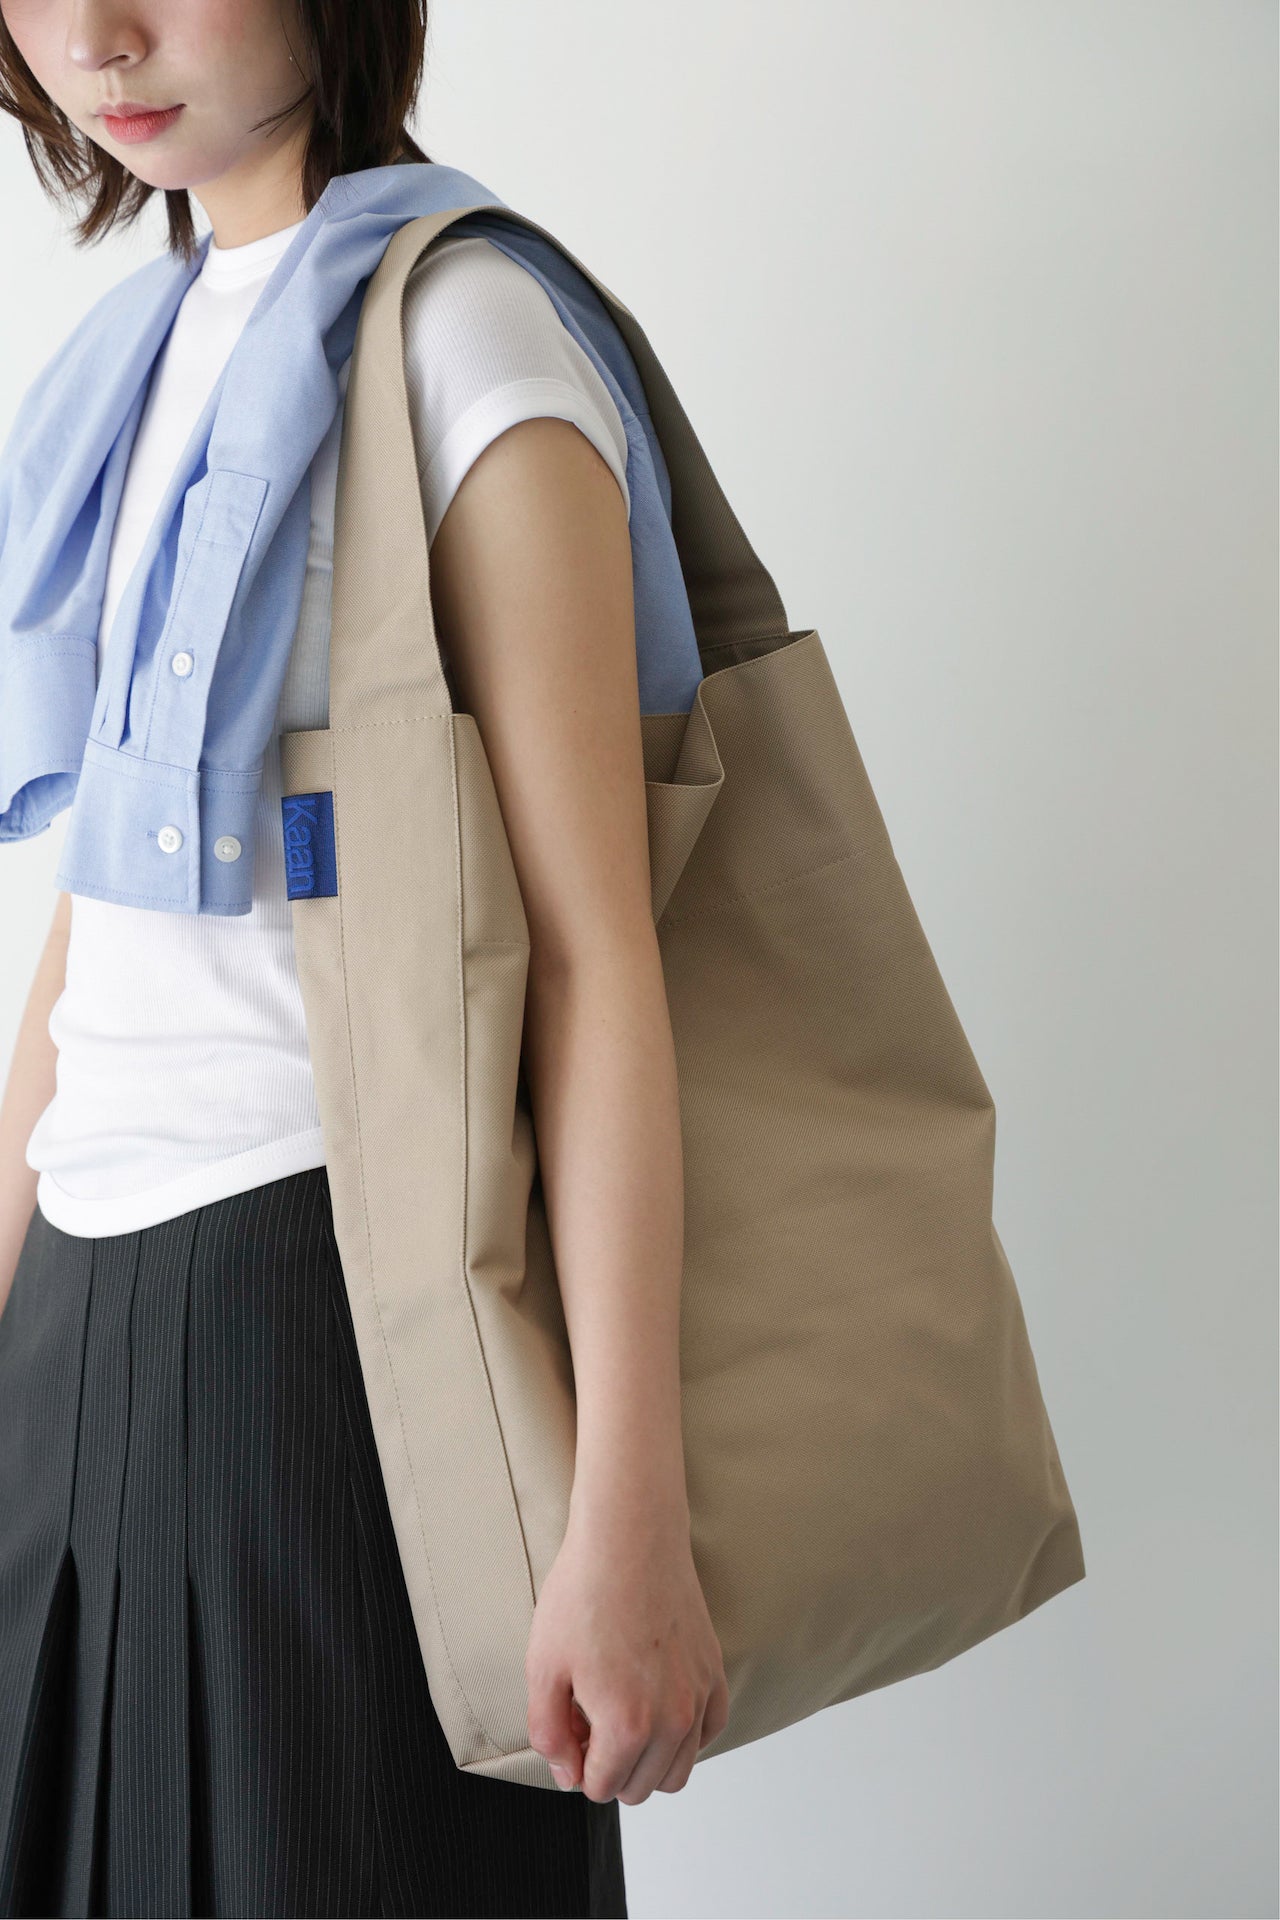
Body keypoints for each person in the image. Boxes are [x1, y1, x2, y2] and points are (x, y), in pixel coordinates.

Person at [0, 2, 730, 1913]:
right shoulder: (136, 356)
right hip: (74, 1318)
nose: (98, 35)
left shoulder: (466, 333)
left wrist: (626, 1510)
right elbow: (98, 926)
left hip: (328, 1326)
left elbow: (593, 959)